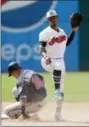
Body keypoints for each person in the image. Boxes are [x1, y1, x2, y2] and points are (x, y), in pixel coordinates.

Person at [39, 10, 79, 121]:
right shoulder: (44, 33)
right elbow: (41, 47)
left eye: (54, 17)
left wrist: (74, 31)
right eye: (51, 18)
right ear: (48, 20)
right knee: (57, 67)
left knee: (61, 92)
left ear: (57, 18)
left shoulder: (61, 32)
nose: (53, 19)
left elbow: (66, 43)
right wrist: (44, 56)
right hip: (48, 60)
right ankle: (56, 90)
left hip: (60, 61)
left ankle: (58, 114)